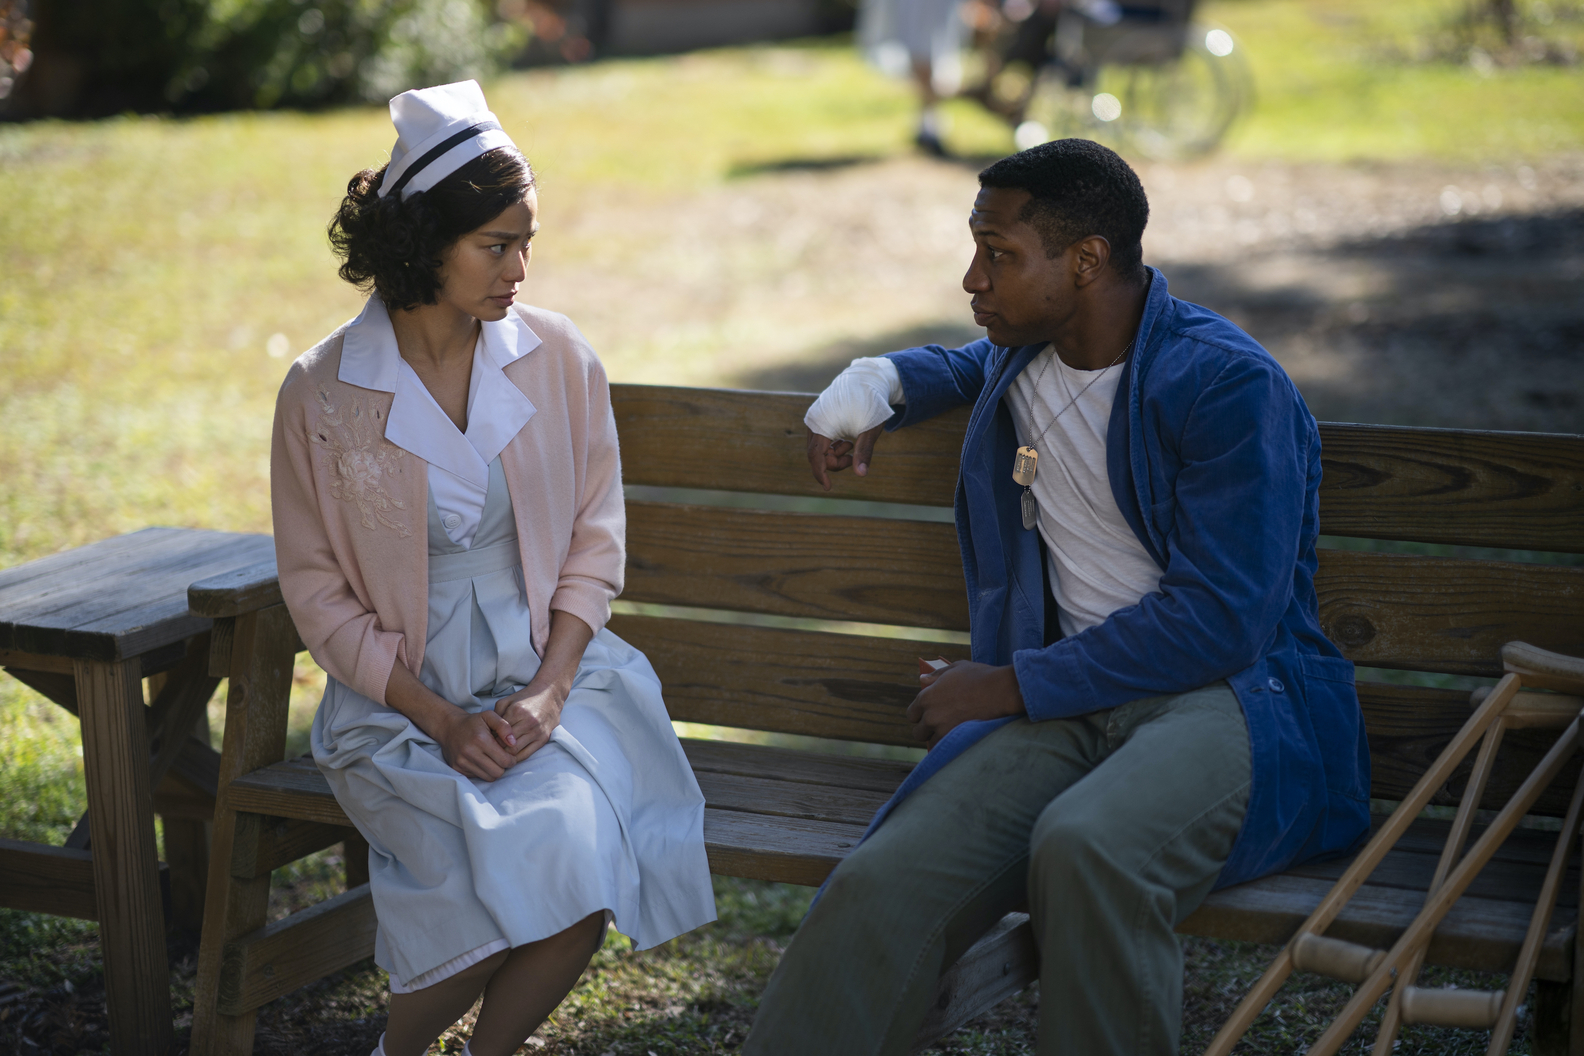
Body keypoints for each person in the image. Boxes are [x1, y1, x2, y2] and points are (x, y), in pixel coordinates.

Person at [745, 139, 1369, 1055]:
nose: (973, 277)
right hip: (1074, 701)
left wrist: (1004, 686)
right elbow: (963, 366)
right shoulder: (1025, 352)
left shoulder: (1228, 386)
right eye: (976, 249)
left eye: (999, 254)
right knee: (884, 881)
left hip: (1231, 701)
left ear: (1086, 261)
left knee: (1088, 848)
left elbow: (1222, 620)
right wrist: (879, 382)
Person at [270, 80, 715, 1056]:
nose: (521, 267)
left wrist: (551, 692)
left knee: (579, 862)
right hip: (396, 711)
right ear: (426, 239)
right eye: (497, 244)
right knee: (493, 882)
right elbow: (314, 589)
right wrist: (438, 718)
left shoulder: (559, 358)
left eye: (528, 242)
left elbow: (596, 537)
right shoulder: (321, 392)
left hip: (553, 686)